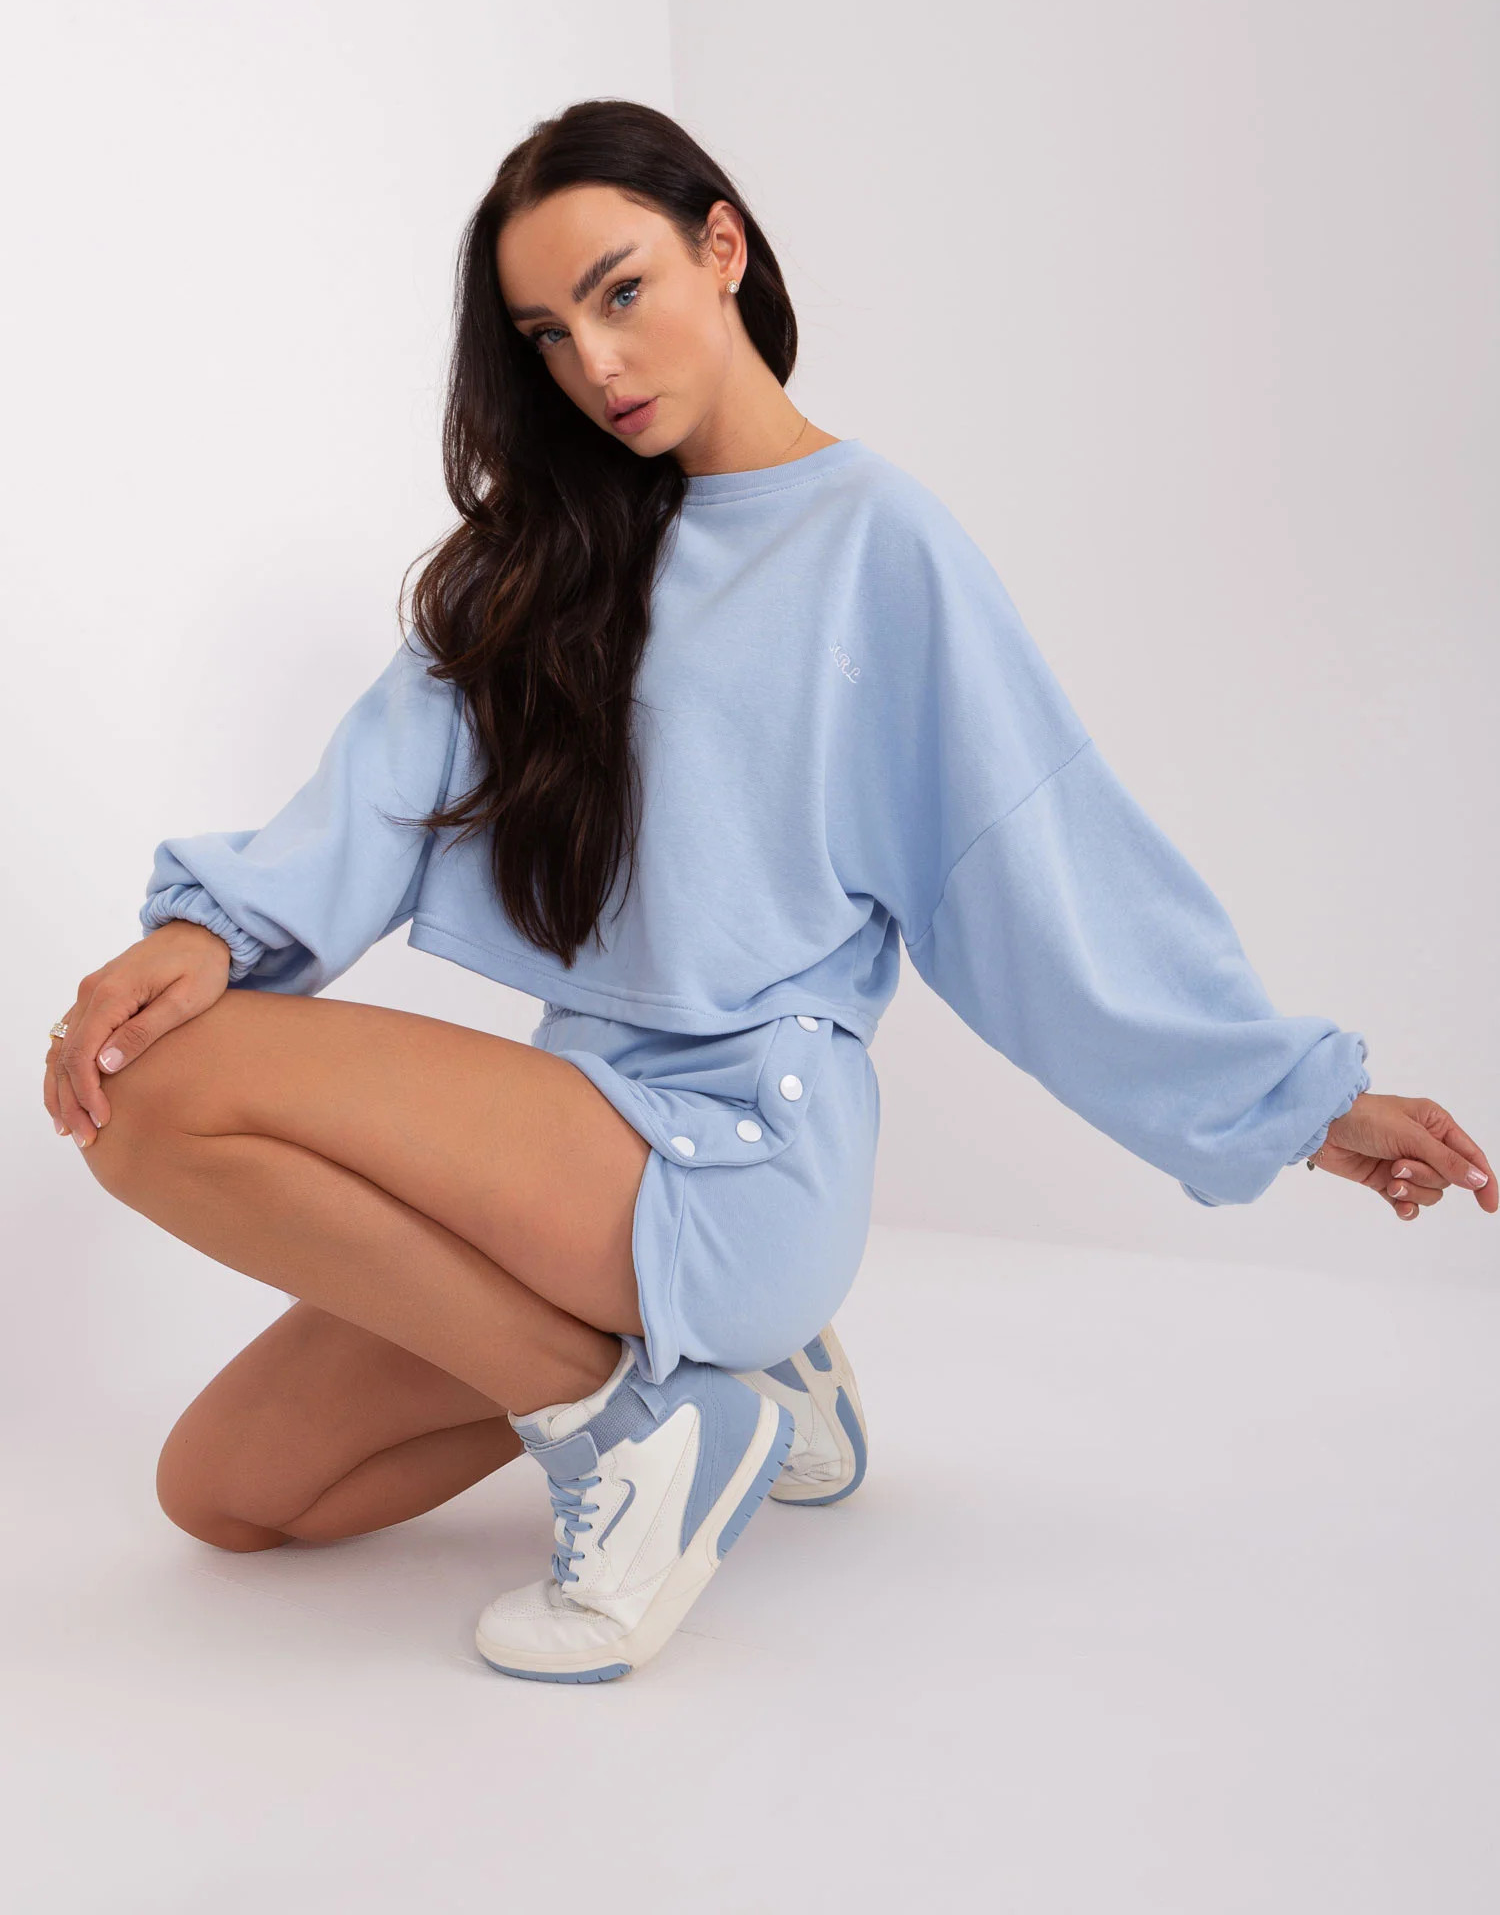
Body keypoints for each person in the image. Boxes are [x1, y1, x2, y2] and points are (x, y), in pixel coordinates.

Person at [44, 99, 1495, 1686]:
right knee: (228, 1498)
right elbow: (379, 792)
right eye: (548, 336)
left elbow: (1040, 869)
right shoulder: (552, 555)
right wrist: (207, 932)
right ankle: (728, 1382)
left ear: (720, 247)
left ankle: (635, 1423)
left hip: (740, 1155)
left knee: (159, 1096)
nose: (598, 363)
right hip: (576, 1154)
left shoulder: (879, 541)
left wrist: (1295, 1105)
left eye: (621, 291)